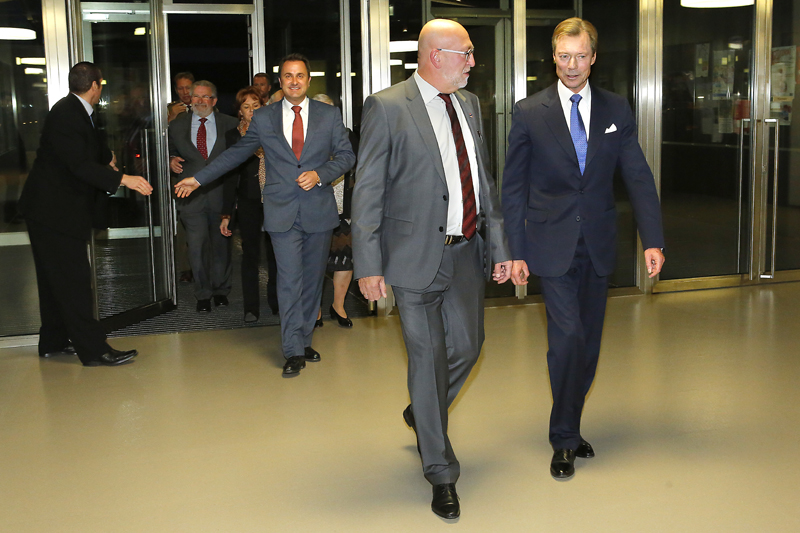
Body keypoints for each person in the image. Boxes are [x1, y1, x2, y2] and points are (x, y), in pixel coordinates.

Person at [351, 20, 512, 519]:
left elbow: (483, 181)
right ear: (435, 55)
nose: (472, 62)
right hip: (411, 258)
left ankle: (423, 411)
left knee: (469, 347)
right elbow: (368, 190)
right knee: (427, 359)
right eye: (466, 53)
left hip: (464, 253)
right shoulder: (387, 106)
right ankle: (440, 471)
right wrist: (368, 264)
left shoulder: (470, 104)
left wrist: (500, 248)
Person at [501, 17, 666, 481]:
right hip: (548, 244)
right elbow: (513, 187)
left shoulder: (616, 108)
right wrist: (515, 250)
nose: (571, 65)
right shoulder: (529, 111)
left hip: (597, 243)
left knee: (589, 345)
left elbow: (637, 176)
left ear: (593, 58)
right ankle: (563, 438)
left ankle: (570, 424)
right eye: (563, 56)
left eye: (580, 56)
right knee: (568, 338)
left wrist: (652, 239)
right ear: (553, 58)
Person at [174, 54, 355, 377]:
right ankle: (293, 350)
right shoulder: (265, 117)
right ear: (280, 81)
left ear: (308, 80)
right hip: (281, 211)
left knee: (312, 281)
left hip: (317, 210)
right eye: (288, 76)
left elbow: (346, 156)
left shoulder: (328, 114)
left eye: (300, 75)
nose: (294, 81)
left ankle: (304, 339)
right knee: (288, 280)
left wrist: (320, 174)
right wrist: (198, 179)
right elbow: (235, 154)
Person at [18, 61, 153, 367]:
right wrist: (123, 179)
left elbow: (87, 147)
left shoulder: (76, 110)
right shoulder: (67, 113)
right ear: (95, 85)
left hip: (52, 211)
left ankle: (53, 341)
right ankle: (93, 350)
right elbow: (78, 164)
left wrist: (108, 157)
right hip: (53, 213)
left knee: (54, 280)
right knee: (74, 281)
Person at [168, 80, 239, 312]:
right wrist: (171, 159)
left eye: (205, 97)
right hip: (190, 197)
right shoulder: (177, 125)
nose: (199, 101)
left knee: (221, 245)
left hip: (220, 194)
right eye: (195, 96)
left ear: (214, 100)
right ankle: (203, 294)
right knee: (196, 247)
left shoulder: (231, 124)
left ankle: (221, 290)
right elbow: (168, 150)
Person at [221, 86, 280, 321]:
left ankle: (277, 302)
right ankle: (251, 308)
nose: (252, 111)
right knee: (250, 255)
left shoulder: (275, 131)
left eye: (256, 106)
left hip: (275, 199)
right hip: (248, 201)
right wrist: (226, 212)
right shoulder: (233, 136)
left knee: (277, 253)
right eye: (246, 107)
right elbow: (229, 175)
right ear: (240, 112)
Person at [312, 93, 355, 329]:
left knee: (345, 260)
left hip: (344, 208)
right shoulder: (302, 136)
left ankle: (338, 306)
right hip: (315, 208)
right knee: (314, 263)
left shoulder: (347, 136)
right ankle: (315, 309)